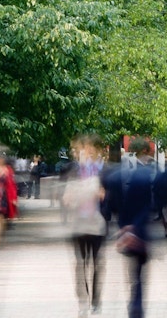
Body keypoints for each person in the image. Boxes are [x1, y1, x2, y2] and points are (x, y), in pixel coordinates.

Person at [108, 138, 153, 318]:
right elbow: (149, 205)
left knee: (132, 271)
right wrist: (136, 226)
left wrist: (123, 226)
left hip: (124, 231)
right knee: (139, 273)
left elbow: (112, 205)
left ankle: (134, 304)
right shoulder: (145, 174)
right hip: (140, 232)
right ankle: (136, 306)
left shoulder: (115, 175)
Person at [63, 135, 108, 317]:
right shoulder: (73, 170)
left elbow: (112, 195)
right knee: (80, 265)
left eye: (90, 147)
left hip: (97, 223)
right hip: (79, 224)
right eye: (84, 147)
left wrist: (104, 195)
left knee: (98, 264)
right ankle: (83, 301)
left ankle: (96, 301)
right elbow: (66, 196)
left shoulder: (103, 171)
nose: (87, 151)